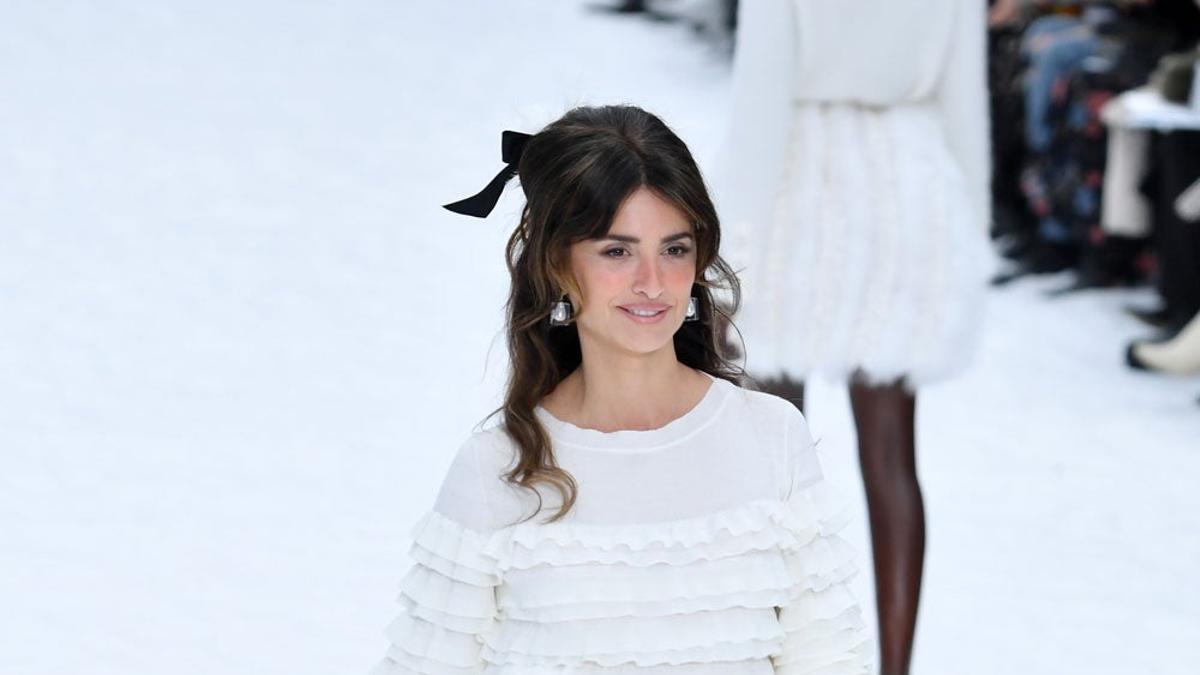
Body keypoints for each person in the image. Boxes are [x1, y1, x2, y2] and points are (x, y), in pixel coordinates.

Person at [371, 105, 870, 674]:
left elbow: (828, 660)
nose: (652, 283)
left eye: (674, 249)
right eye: (617, 251)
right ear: (557, 264)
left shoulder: (772, 436)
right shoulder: (497, 469)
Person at [711, 2, 993, 674]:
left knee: (775, 458)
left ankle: (776, 654)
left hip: (799, 189)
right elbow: (965, 104)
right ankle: (897, 666)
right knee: (893, 455)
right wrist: (972, 241)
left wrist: (730, 257)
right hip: (908, 188)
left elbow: (759, 102)